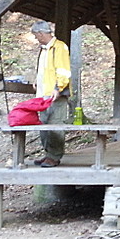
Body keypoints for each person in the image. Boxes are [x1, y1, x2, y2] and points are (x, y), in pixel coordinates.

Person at [30, 21, 71, 168]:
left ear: (41, 34)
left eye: (36, 35)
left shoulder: (59, 47)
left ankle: (55, 156)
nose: (36, 38)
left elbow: (63, 71)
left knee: (55, 125)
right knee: (44, 124)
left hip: (55, 94)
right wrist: (37, 81)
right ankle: (48, 154)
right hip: (43, 94)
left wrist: (58, 88)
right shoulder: (44, 49)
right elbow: (44, 69)